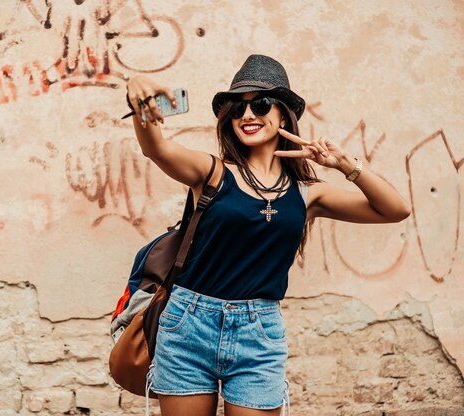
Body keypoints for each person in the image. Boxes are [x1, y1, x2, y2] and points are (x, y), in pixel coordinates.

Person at [123, 54, 411, 416]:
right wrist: (137, 94)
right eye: (237, 107)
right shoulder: (211, 172)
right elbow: (156, 148)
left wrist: (344, 165)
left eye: (260, 103)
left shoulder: (309, 194)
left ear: (283, 114)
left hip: (258, 334)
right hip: (188, 325)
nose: (247, 115)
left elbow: (395, 210)